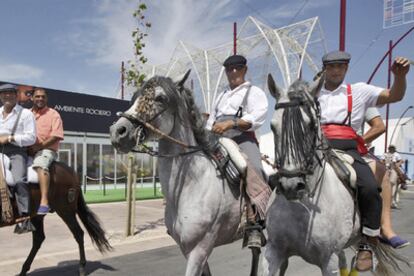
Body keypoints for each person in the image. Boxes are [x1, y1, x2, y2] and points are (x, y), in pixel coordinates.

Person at [318, 50, 410, 271]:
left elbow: (394, 96)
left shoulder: (358, 91)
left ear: (346, 68)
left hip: (348, 147)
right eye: (331, 66)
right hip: (317, 147)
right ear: (325, 69)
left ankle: (369, 240)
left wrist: (400, 77)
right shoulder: (313, 94)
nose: (336, 70)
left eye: (340, 66)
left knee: (369, 186)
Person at [205, 54, 269, 248]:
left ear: (244, 70)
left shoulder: (254, 92)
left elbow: (256, 117)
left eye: (237, 68)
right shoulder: (221, 95)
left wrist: (230, 123)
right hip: (217, 138)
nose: (233, 72)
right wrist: (208, 131)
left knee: (253, 167)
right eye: (229, 69)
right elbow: (211, 121)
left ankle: (254, 223)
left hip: (241, 137)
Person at [361, 108, 409, 248]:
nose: (392, 150)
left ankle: (385, 227)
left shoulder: (396, 155)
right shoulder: (385, 154)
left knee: (389, 176)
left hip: (392, 166)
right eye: (391, 149)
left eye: (393, 149)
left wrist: (396, 165)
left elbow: (399, 162)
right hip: (324, 147)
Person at [0, 83, 37, 233]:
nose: (7, 95)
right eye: (3, 93)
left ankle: (24, 217)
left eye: (10, 93)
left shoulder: (26, 114)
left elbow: (31, 138)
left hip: (16, 151)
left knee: (18, 180)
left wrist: (10, 138)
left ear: (16, 96)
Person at [28, 88, 64, 215]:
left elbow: (56, 135)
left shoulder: (53, 114)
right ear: (31, 98)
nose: (40, 99)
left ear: (46, 99)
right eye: (37, 96)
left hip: (46, 150)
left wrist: (38, 147)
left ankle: (44, 201)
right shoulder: (27, 114)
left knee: (40, 165)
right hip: (26, 151)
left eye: (43, 97)